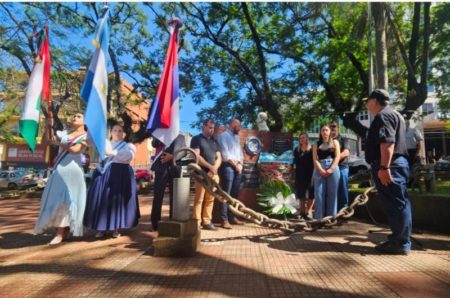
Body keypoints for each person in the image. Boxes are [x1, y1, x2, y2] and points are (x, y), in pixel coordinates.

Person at [364, 88, 412, 255]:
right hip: (396, 164)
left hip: (391, 165)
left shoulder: (383, 115)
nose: (366, 104)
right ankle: (399, 239)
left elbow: (388, 143)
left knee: (396, 204)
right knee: (397, 202)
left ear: (375, 101)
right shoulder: (396, 114)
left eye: (367, 100)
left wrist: (385, 167)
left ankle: (400, 242)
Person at [34, 112, 88, 245]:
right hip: (60, 170)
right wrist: (47, 127)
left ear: (85, 121)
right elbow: (45, 142)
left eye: (79, 116)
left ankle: (63, 231)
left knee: (71, 201)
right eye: (74, 116)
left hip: (74, 172)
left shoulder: (86, 137)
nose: (74, 117)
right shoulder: (64, 134)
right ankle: (60, 231)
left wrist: (57, 143)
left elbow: (75, 150)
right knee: (58, 200)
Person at [83, 124, 140, 238]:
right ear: (111, 132)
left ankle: (116, 228)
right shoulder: (104, 143)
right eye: (115, 130)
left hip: (121, 173)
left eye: (120, 130)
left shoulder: (129, 145)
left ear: (123, 133)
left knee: (117, 201)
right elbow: (94, 152)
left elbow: (128, 157)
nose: (117, 132)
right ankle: (101, 228)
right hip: (105, 173)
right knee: (102, 199)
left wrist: (113, 153)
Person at [190, 119, 222, 231]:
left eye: (213, 128)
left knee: (210, 199)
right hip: (201, 174)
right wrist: (210, 167)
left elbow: (219, 157)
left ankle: (207, 222)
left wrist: (214, 168)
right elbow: (197, 156)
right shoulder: (196, 139)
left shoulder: (214, 141)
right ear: (203, 127)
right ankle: (196, 223)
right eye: (209, 127)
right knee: (199, 199)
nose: (211, 129)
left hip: (213, 174)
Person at [150, 134, 186, 231]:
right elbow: (154, 144)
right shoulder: (161, 133)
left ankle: (172, 219)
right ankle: (155, 223)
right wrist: (161, 136)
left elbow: (184, 152)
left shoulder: (181, 137)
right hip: (161, 167)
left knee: (174, 196)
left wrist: (173, 156)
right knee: (158, 196)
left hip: (174, 168)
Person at [217, 119, 245, 229]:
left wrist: (241, 165)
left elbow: (240, 154)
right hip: (228, 167)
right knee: (226, 194)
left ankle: (232, 217)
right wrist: (236, 165)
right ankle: (224, 220)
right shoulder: (223, 136)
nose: (239, 128)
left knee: (234, 194)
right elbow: (225, 154)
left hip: (238, 167)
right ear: (232, 125)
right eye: (238, 126)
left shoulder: (237, 138)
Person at [312, 124, 341, 219]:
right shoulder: (316, 144)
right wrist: (320, 169)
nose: (324, 132)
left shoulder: (335, 142)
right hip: (320, 167)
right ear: (320, 132)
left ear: (330, 132)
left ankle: (331, 218)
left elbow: (337, 156)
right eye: (323, 130)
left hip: (333, 167)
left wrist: (331, 168)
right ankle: (318, 218)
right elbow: (315, 159)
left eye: (326, 130)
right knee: (319, 193)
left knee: (332, 193)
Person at [330, 121, 351, 210]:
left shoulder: (343, 139)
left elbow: (346, 152)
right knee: (333, 190)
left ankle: (344, 210)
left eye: (334, 126)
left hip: (342, 167)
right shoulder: (328, 141)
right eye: (330, 127)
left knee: (343, 188)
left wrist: (334, 161)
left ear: (338, 127)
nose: (332, 128)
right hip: (331, 168)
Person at [293, 133, 314, 220]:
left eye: (303, 137)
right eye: (300, 138)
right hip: (300, 174)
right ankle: (302, 212)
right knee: (301, 194)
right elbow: (294, 162)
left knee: (311, 193)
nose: (302, 139)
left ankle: (309, 212)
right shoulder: (296, 150)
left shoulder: (312, 149)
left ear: (307, 139)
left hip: (310, 173)